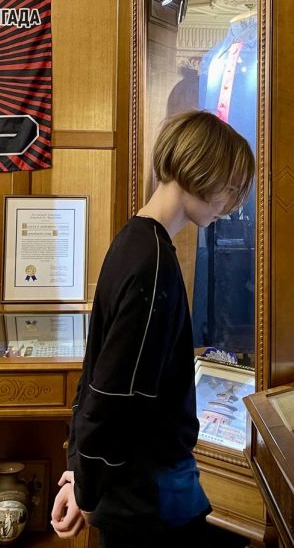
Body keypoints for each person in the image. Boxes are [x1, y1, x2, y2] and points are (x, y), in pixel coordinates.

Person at [51, 110, 254, 547]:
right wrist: (86, 487)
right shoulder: (153, 261)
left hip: (130, 489)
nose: (231, 204)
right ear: (203, 171)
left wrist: (79, 474)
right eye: (231, 187)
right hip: (146, 498)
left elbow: (95, 374)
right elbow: (114, 393)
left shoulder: (132, 240)